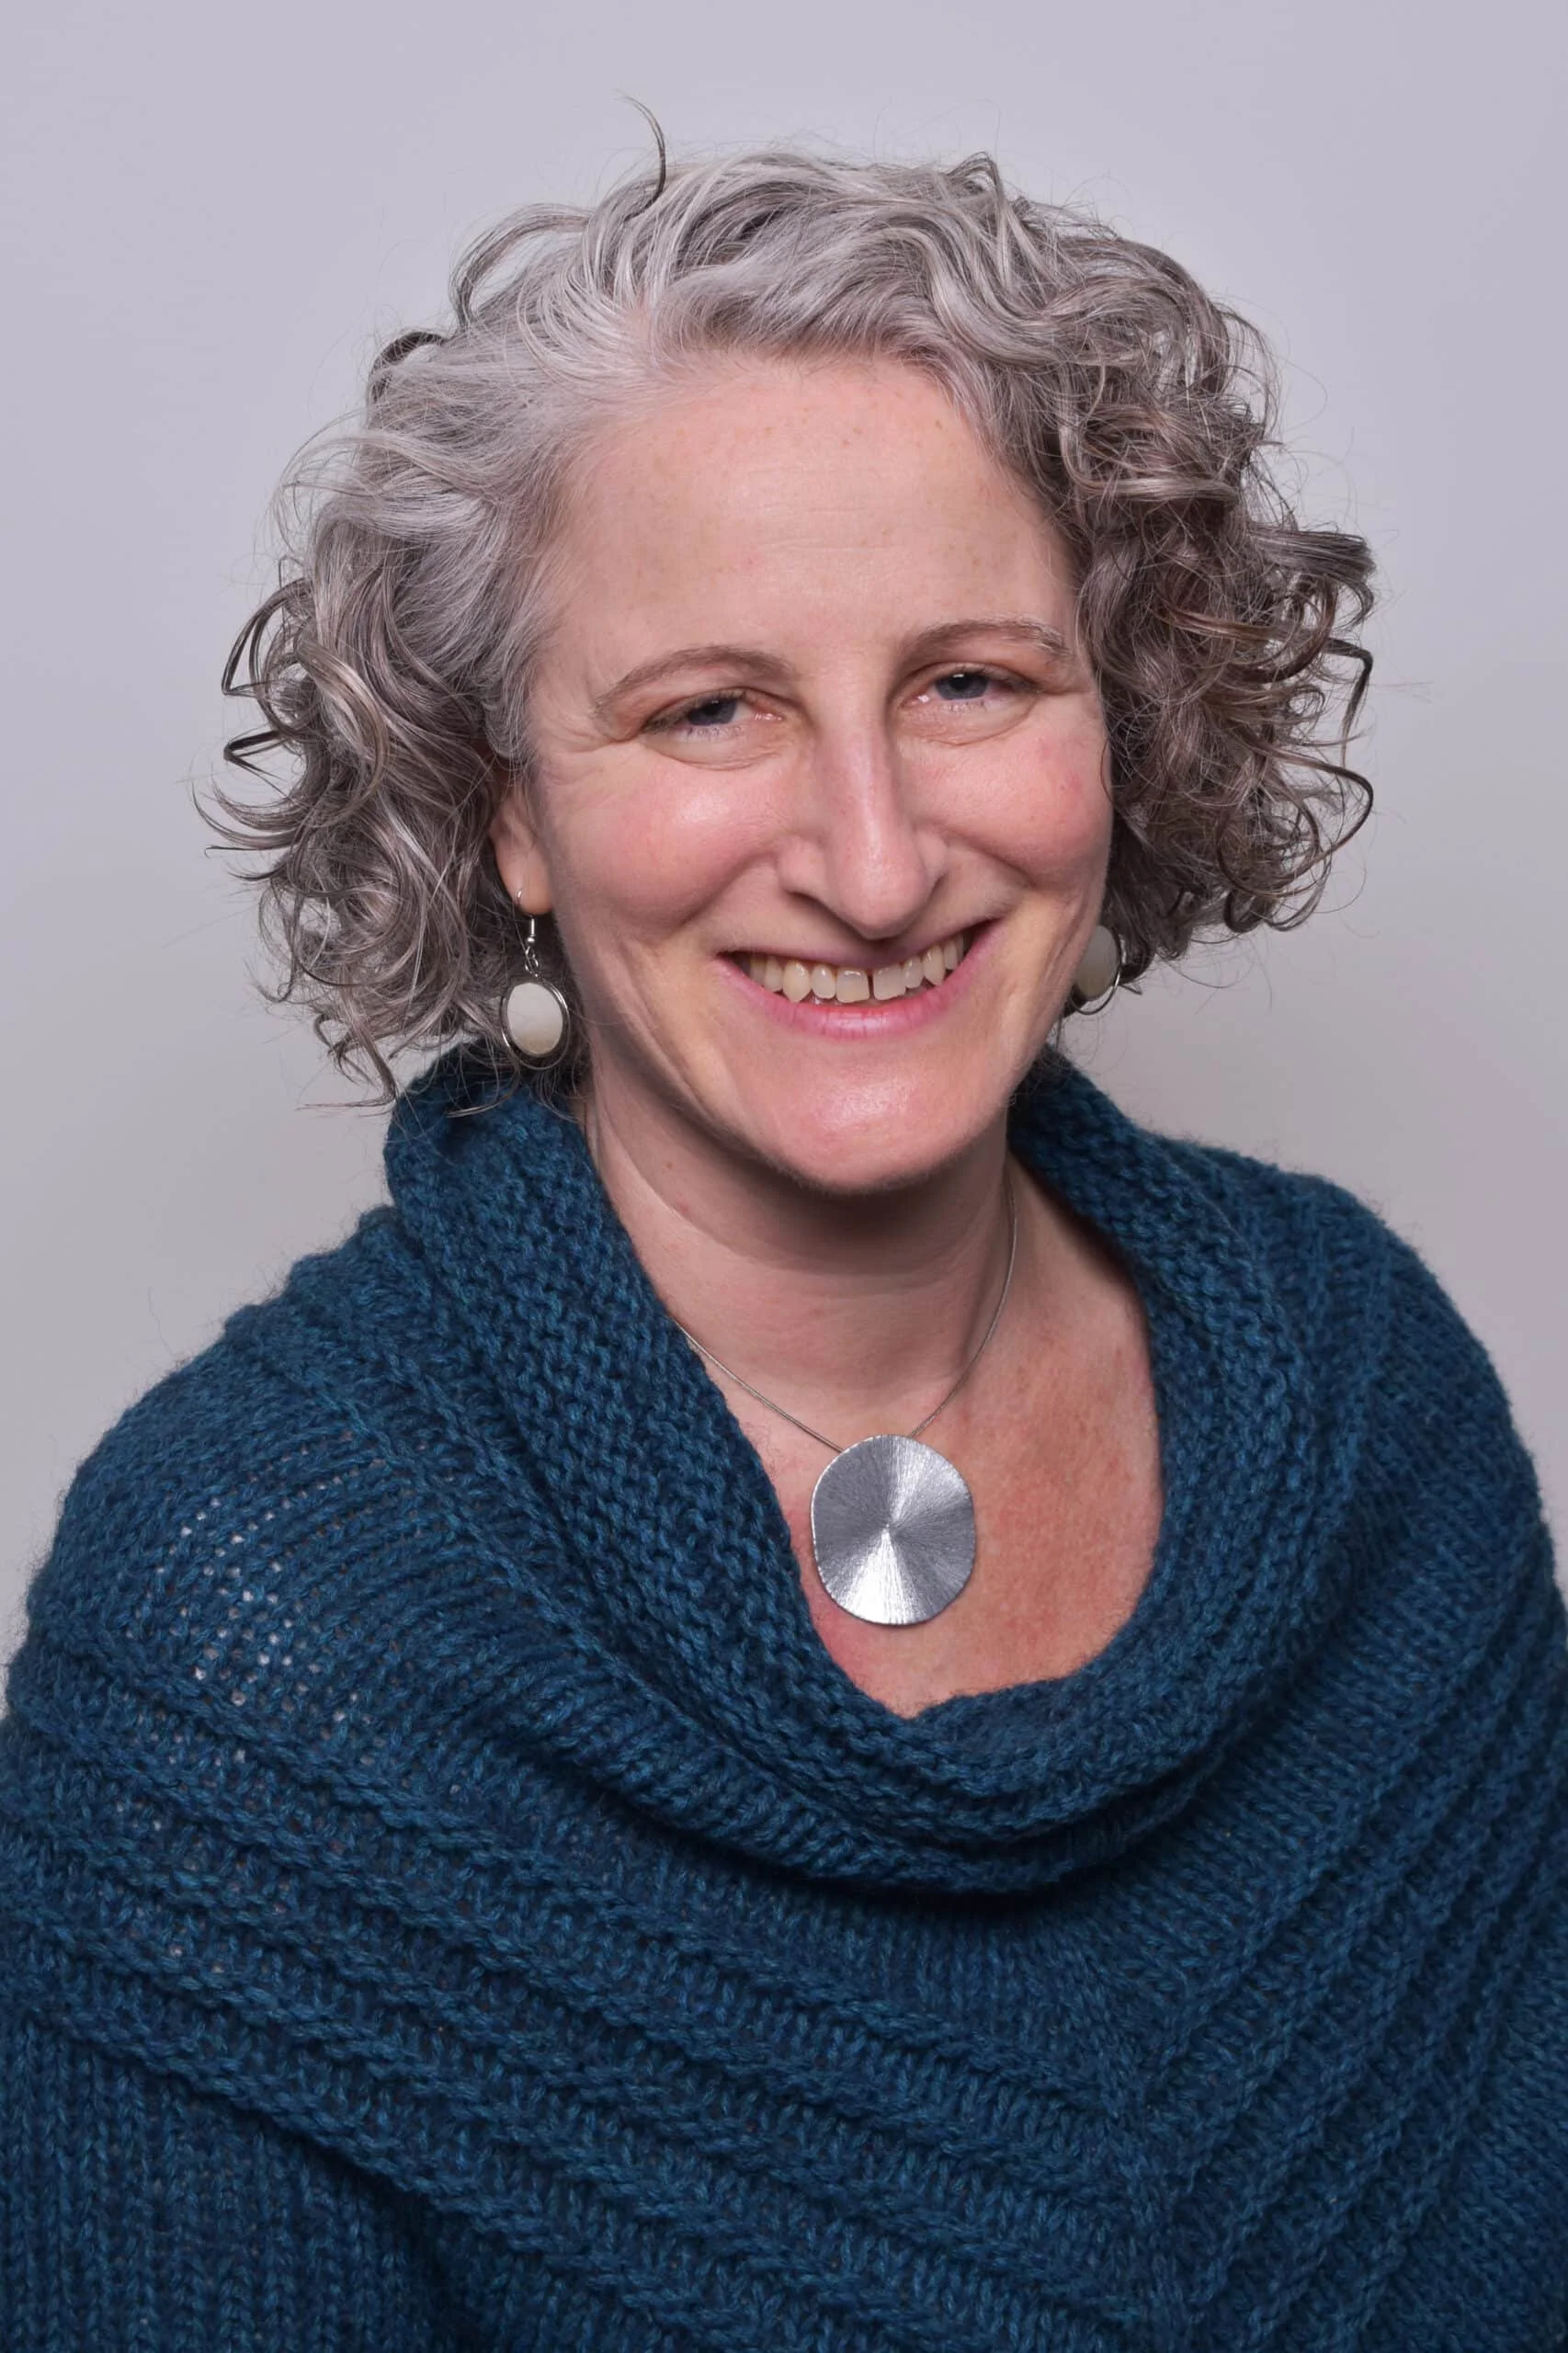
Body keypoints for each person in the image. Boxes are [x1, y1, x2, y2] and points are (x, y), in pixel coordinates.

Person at [1, 142, 1563, 2350]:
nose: (871, 856)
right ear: (506, 809)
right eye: (707, 707)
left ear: (1121, 721)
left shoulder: (1362, 1385)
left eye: (971, 682)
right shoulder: (246, 1623)